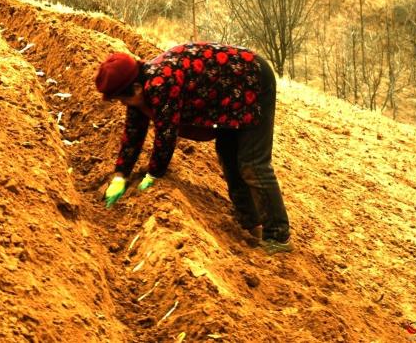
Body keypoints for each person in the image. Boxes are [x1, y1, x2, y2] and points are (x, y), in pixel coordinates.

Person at [95, 43, 292, 254]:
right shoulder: (141, 84)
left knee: (252, 162)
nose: (123, 104)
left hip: (251, 78)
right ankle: (251, 222)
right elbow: (133, 131)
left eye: (122, 99)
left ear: (135, 88)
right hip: (227, 93)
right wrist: (121, 174)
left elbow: (166, 135)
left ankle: (278, 236)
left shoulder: (162, 83)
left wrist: (153, 174)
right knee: (228, 153)